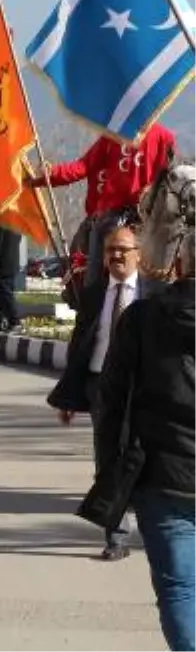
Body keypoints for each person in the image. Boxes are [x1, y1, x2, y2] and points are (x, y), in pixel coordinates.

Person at [97, 232, 196, 647]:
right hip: (164, 477)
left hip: (162, 478)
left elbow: (111, 404)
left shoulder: (141, 319)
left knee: (179, 590)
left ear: (180, 265)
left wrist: (110, 474)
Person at [48, 225, 140, 561]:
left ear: (139, 255)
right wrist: (68, 397)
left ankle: (158, 526)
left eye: (123, 250)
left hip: (143, 388)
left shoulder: (152, 296)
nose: (116, 256)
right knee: (108, 460)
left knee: (148, 458)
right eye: (110, 250)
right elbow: (80, 345)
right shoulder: (94, 294)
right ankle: (116, 537)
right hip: (101, 386)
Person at [27, 124, 174, 288]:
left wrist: (151, 190)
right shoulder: (112, 136)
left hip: (149, 215)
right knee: (97, 252)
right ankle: (91, 299)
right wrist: (51, 173)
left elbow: (169, 177)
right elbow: (83, 166)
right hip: (113, 212)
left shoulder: (164, 137)